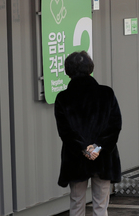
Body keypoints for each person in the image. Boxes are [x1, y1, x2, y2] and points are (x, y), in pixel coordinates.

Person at [54, 51, 122, 216]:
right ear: (90, 69)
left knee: (76, 204)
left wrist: (84, 148)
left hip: (76, 158)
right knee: (101, 206)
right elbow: (115, 125)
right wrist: (97, 147)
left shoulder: (63, 98)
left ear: (68, 71)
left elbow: (66, 132)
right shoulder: (106, 93)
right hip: (104, 157)